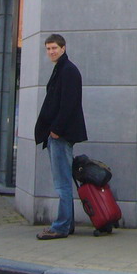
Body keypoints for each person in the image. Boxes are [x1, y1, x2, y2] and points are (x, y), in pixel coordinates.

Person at [33, 34, 88, 240]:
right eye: (48, 49)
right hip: (58, 133)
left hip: (60, 134)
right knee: (63, 180)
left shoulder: (68, 71)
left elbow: (69, 103)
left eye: (54, 48)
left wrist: (55, 129)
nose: (51, 52)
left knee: (62, 182)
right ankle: (67, 224)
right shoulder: (62, 69)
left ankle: (61, 226)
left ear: (63, 48)